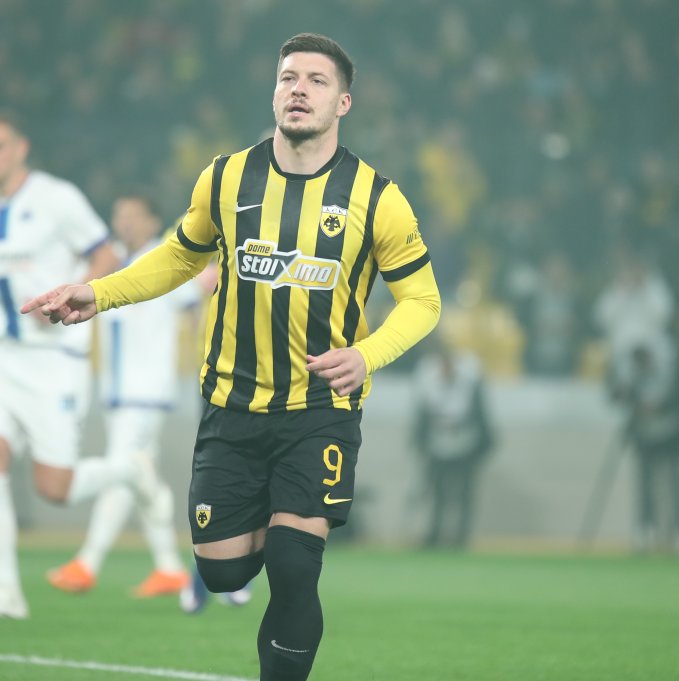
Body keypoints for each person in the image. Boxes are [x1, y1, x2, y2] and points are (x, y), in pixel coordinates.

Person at [22, 33, 441, 681]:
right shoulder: (225, 177)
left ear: (343, 103)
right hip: (231, 405)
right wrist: (97, 293)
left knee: (295, 565)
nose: (299, 89)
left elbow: (423, 300)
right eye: (288, 77)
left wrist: (368, 354)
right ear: (274, 92)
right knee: (222, 573)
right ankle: (262, 534)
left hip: (318, 409)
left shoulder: (376, 197)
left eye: (317, 81)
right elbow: (178, 255)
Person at [0, 111, 124, 619]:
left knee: (55, 489)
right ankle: (7, 593)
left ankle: (129, 472)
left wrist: (71, 296)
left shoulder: (57, 198)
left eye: (2, 144)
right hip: (5, 356)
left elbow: (106, 255)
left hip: (54, 360)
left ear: (21, 148)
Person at [46, 193, 197, 598]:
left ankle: (87, 563)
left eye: (134, 215)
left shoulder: (165, 259)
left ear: (153, 221)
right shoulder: (113, 260)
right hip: (116, 391)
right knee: (139, 476)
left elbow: (197, 298)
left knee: (125, 469)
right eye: (119, 215)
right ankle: (169, 567)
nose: (124, 222)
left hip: (146, 392)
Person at [609, 334, 679, 552]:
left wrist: (658, 407)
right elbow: (615, 396)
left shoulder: (670, 364)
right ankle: (646, 530)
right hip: (644, 434)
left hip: (671, 433)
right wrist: (628, 393)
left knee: (675, 484)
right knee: (645, 485)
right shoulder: (631, 371)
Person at [411, 339, 493, 549]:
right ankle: (435, 534)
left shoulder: (470, 376)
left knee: (464, 493)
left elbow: (479, 413)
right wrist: (421, 443)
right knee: (437, 493)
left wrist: (482, 446)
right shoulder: (427, 377)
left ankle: (460, 537)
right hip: (437, 444)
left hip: (465, 443)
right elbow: (423, 413)